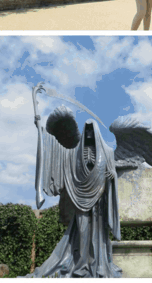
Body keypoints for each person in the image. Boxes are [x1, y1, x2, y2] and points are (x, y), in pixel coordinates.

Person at [28, 105, 121, 277]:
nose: (88, 135)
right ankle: (81, 266)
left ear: (96, 133)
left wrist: (112, 175)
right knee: (83, 232)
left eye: (91, 132)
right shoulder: (74, 154)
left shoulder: (107, 152)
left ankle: (99, 265)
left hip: (99, 201)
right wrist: (40, 129)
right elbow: (55, 150)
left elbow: (112, 172)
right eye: (86, 132)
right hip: (80, 200)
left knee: (99, 236)